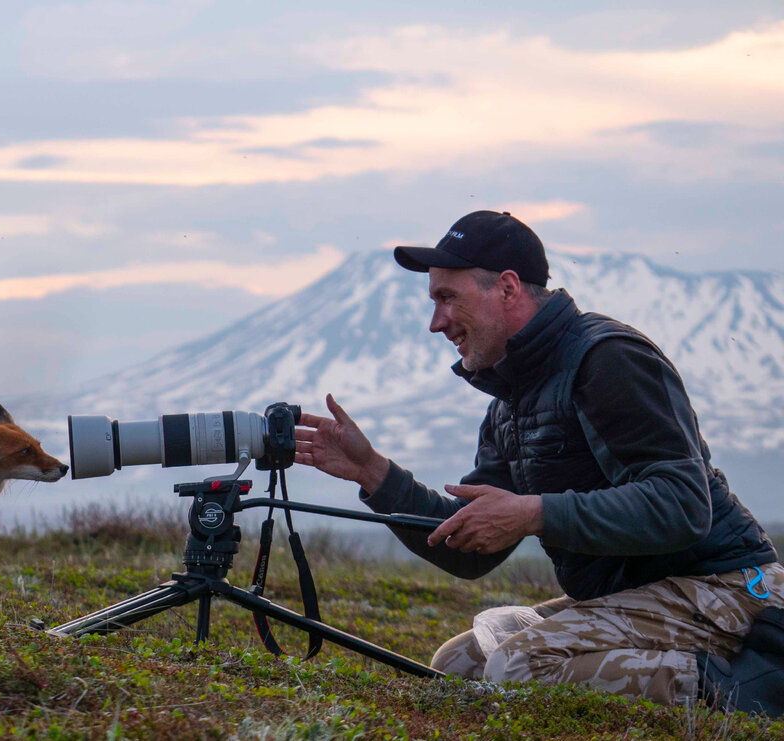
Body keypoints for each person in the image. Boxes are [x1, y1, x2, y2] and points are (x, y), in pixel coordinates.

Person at [294, 210, 783, 710]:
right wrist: (372, 472)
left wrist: (534, 513)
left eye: (448, 298)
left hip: (724, 591)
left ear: (507, 288)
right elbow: (469, 550)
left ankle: (749, 691)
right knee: (458, 665)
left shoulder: (608, 358)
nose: (436, 323)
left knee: (520, 666)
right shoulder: (511, 401)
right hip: (639, 595)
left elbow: (683, 506)